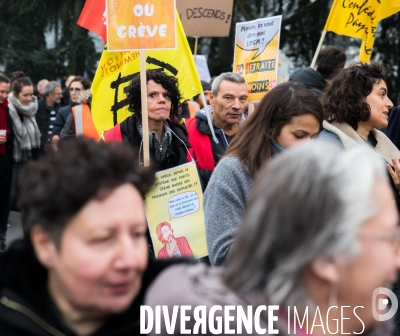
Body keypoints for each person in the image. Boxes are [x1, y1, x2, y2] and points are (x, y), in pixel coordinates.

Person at [145, 141, 400, 336]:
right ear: (326, 258)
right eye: (389, 238)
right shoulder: (192, 319)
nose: (396, 261)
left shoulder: (371, 319)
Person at [0, 138, 192, 336]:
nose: (131, 261)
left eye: (137, 235)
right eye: (103, 239)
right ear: (45, 244)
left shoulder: (182, 315)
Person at [204, 81, 322, 266]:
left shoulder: (313, 172)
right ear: (271, 129)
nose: (309, 146)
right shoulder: (232, 172)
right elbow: (224, 256)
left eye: (314, 137)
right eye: (299, 136)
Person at [320, 62, 400, 199]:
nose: (390, 103)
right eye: (382, 95)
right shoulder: (329, 148)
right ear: (356, 97)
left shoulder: (380, 141)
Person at [103, 70, 191, 170]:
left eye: (166, 95)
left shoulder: (182, 137)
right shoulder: (113, 139)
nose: (162, 100)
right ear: (138, 103)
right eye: (152, 95)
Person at [185, 72, 248, 188]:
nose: (237, 106)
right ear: (212, 98)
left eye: (243, 99)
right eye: (228, 98)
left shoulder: (254, 133)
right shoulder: (187, 131)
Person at [51, 76, 91, 142]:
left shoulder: (92, 110)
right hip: (70, 149)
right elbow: (56, 132)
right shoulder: (63, 111)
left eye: (77, 89)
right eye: (71, 89)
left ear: (86, 91)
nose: (73, 93)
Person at [0, 73, 14, 253]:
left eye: (6, 92)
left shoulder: (7, 110)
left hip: (4, 166)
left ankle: (2, 239)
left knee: (3, 205)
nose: (4, 95)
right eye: (1, 91)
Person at [35, 81, 62, 150]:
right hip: (40, 147)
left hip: (55, 146)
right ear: (50, 94)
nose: (61, 96)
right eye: (58, 94)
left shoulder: (59, 108)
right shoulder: (37, 107)